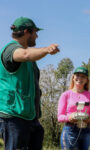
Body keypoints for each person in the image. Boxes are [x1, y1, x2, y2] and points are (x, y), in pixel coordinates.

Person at [0, 17, 59, 150]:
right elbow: (25, 54)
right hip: (14, 117)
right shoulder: (11, 50)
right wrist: (46, 49)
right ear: (27, 31)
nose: (37, 36)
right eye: (35, 32)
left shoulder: (31, 60)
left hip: (30, 118)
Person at [57, 66, 90, 149]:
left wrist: (87, 118)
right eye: (77, 75)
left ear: (87, 80)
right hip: (70, 131)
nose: (80, 78)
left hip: (86, 130)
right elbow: (60, 117)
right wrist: (70, 117)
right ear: (73, 77)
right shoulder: (65, 95)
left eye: (83, 76)